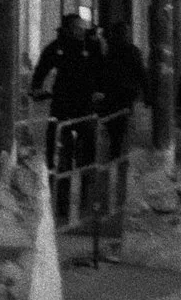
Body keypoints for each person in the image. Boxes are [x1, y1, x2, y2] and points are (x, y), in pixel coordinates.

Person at [30, 14, 102, 210]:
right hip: (62, 105)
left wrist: (99, 91)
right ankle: (61, 201)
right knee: (60, 154)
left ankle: (86, 199)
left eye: (82, 28)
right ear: (68, 29)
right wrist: (36, 87)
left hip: (85, 106)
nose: (81, 31)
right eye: (77, 28)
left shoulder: (91, 46)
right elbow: (42, 68)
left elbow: (101, 70)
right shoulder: (57, 46)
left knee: (88, 153)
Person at [97, 21, 147, 164]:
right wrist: (147, 94)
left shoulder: (107, 50)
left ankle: (115, 148)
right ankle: (117, 151)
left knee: (113, 122)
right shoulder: (132, 50)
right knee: (122, 122)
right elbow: (141, 73)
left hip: (110, 93)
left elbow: (100, 71)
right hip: (126, 94)